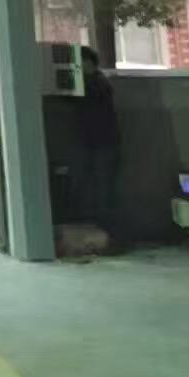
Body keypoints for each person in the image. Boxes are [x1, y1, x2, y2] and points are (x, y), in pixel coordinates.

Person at [77, 45, 121, 241]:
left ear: (89, 63)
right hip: (100, 143)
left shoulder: (97, 84)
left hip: (103, 143)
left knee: (103, 188)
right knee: (100, 187)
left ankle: (108, 231)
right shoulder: (97, 82)